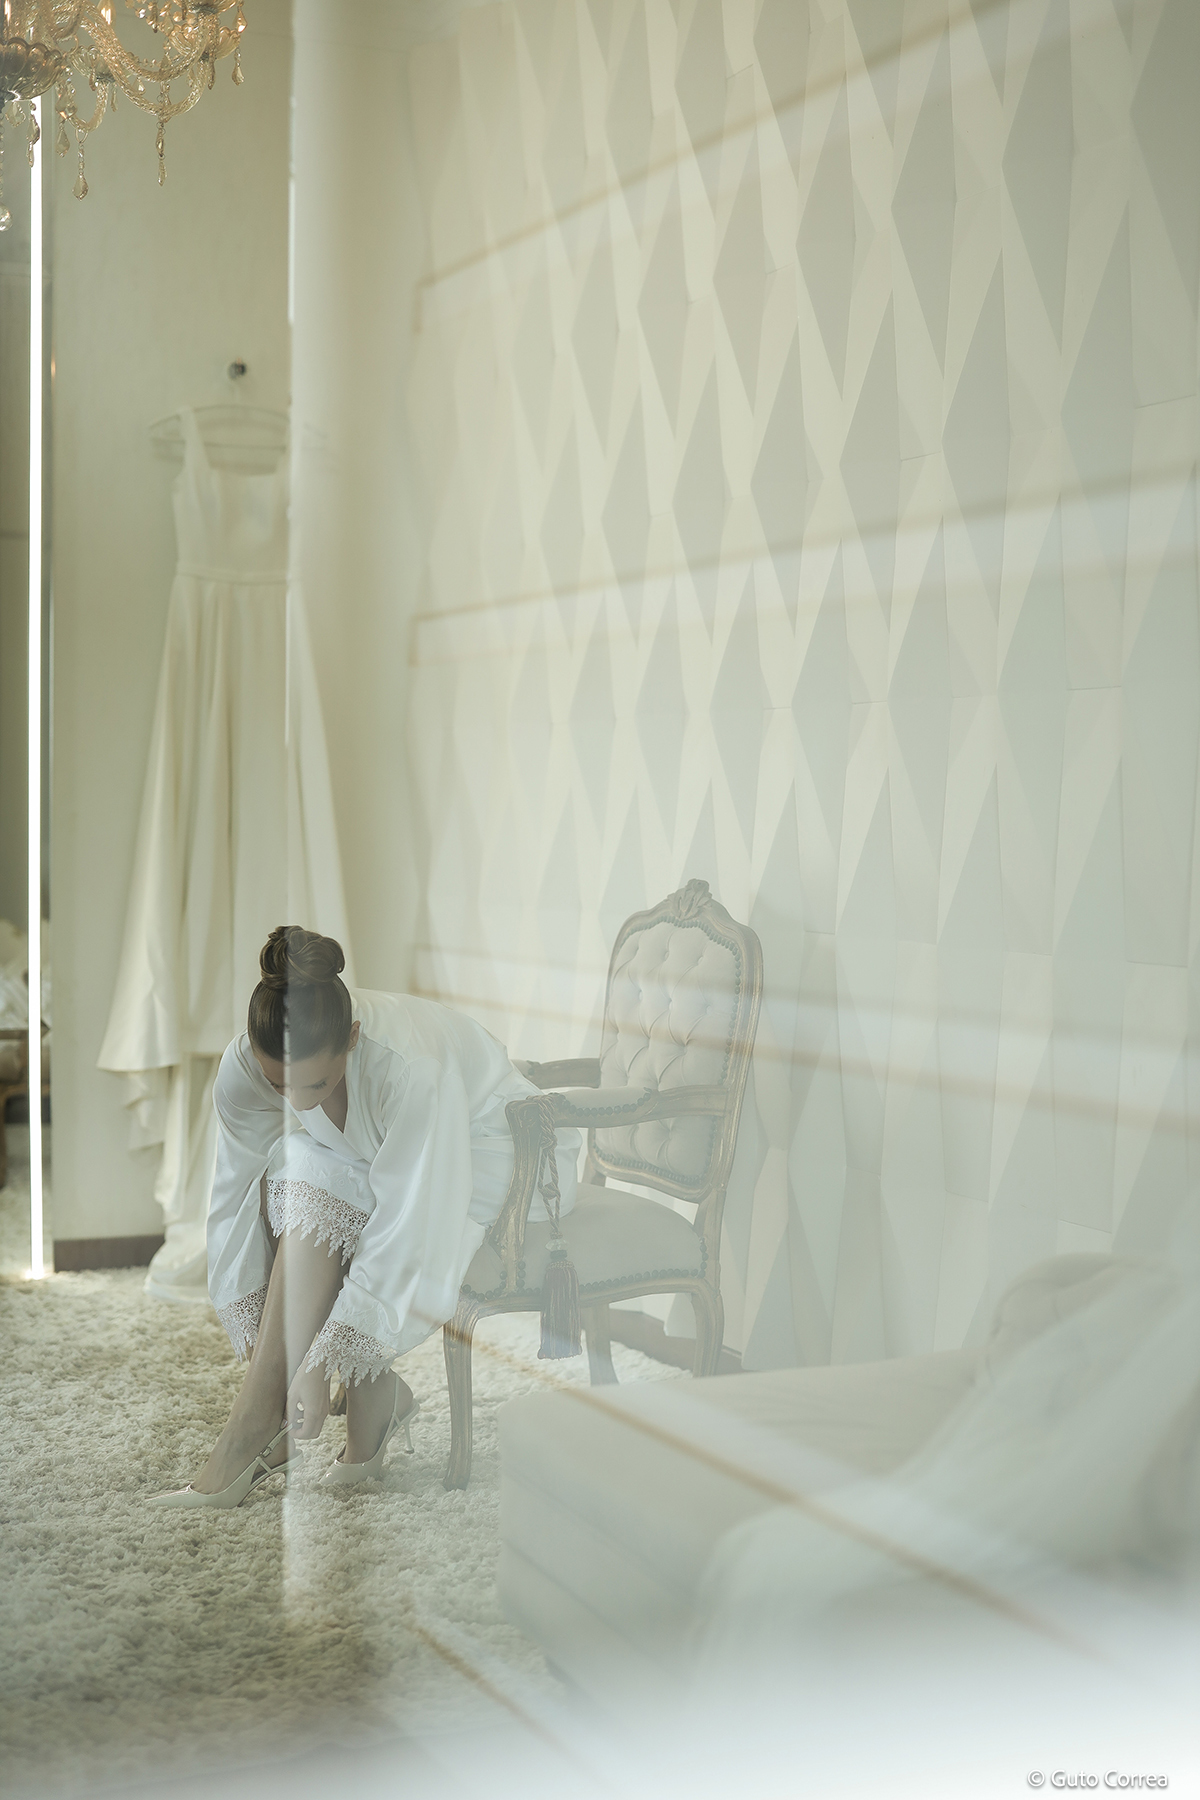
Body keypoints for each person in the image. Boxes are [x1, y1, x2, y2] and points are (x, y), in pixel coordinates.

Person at [151, 926, 580, 1507]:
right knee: (301, 1162)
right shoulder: (243, 1066)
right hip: (383, 1153)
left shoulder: (411, 1070)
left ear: (352, 1037)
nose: (297, 1100)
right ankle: (340, 1408)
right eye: (279, 1085)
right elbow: (234, 1191)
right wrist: (263, 1338)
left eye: (315, 1082)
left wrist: (317, 1362)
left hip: (495, 1144)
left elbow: (409, 1221)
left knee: (332, 1178)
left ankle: (278, 1421)